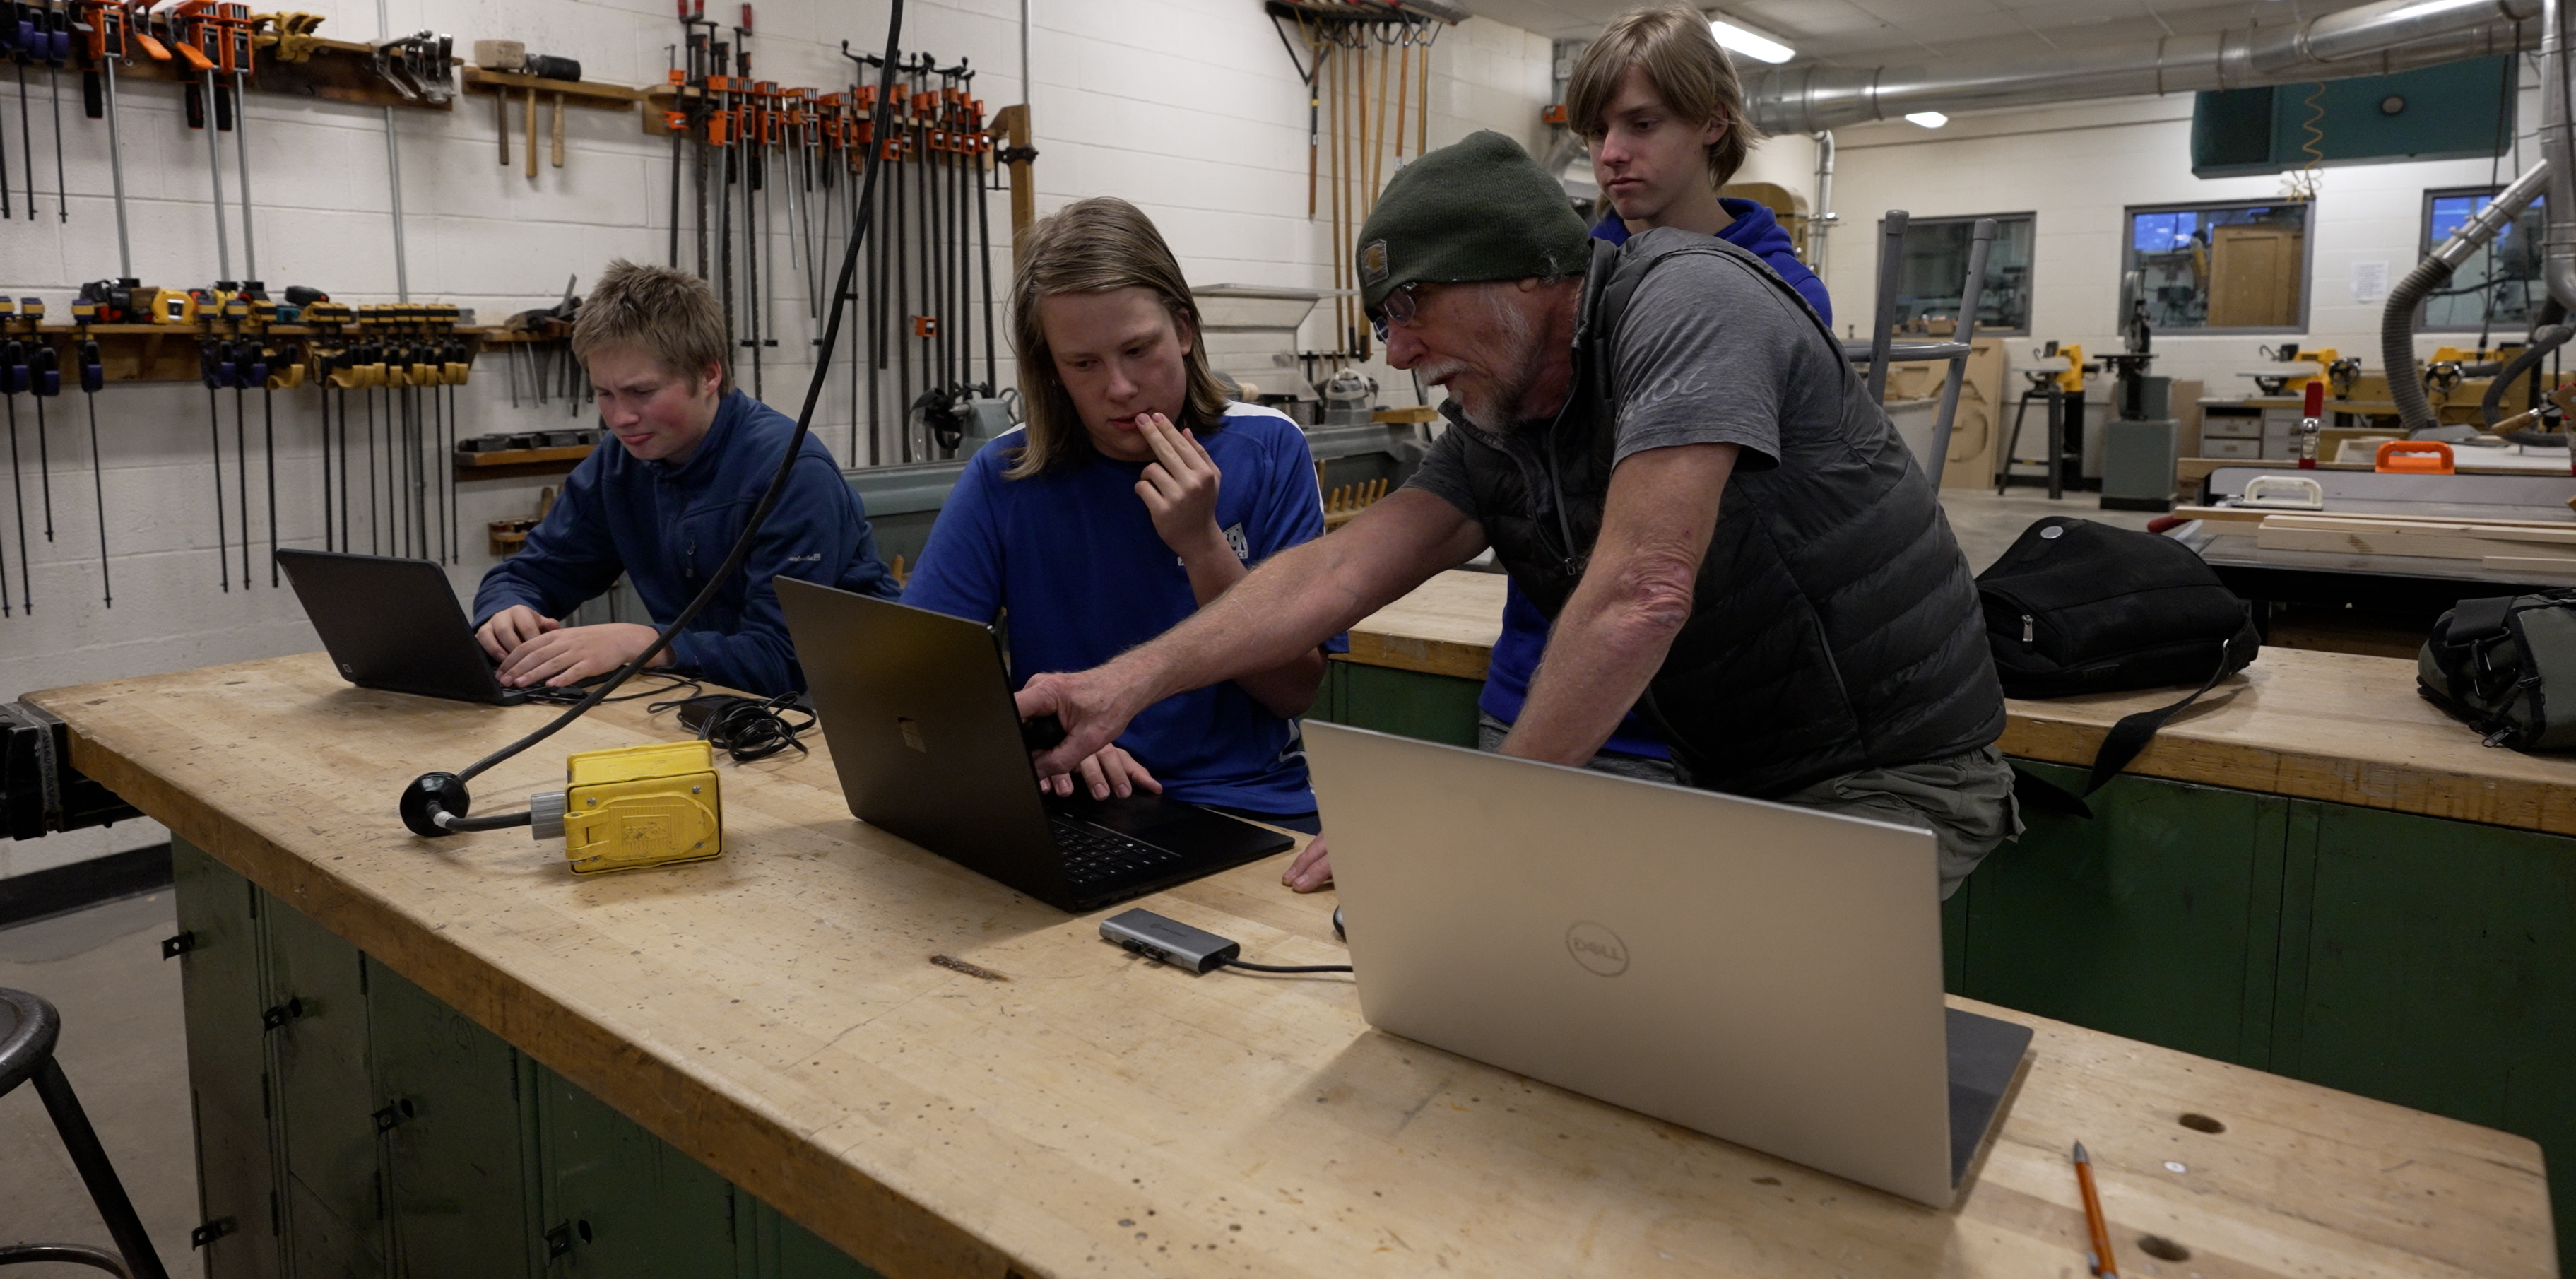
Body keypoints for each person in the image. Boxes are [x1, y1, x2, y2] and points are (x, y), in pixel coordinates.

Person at [1015, 123, 2016, 900]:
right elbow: (1338, 572)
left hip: (1895, 774)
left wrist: (1464, 819)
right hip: (1739, 776)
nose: (1397, 353)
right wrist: (1122, 684)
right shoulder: (1506, 417)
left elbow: (1643, 592)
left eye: (1412, 308)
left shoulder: (1689, 305)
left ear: (1532, 272)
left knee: (1748, 1032)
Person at [902, 197, 1330, 836]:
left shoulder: (1269, 448)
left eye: (1138, 349)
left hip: (1246, 802)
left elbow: (1295, 691)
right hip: (1072, 802)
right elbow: (917, 683)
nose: (1121, 387)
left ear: (1183, 330)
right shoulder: (1004, 476)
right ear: (1050, 368)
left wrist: (1202, 546)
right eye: (1084, 364)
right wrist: (1048, 741)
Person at [1491, 3, 1836, 764]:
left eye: (1642, 126)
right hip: (1528, 684)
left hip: (1687, 710)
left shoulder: (1778, 294)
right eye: (1597, 131)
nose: (1611, 154)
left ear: (1712, 123)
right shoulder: (1562, 286)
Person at [473, 261, 897, 695]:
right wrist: (506, 611)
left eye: (642, 392)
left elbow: (785, 661)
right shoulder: (619, 464)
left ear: (709, 375)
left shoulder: (790, 472)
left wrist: (645, 643)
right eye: (604, 394)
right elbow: (529, 575)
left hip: (850, 709)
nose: (620, 417)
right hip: (716, 702)